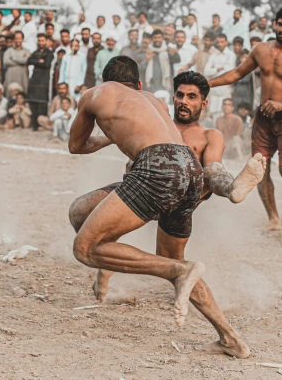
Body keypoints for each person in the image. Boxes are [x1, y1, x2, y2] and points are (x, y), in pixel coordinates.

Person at [68, 61, 256, 356]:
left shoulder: (95, 93)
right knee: (80, 212)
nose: (183, 101)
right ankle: (231, 339)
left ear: (104, 81)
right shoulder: (152, 102)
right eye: (180, 95)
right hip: (189, 174)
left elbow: (76, 146)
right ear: (139, 86)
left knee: (85, 248)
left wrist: (107, 133)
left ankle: (178, 269)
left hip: (156, 172)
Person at [209, 7, 282, 231]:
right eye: (280, 24)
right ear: (274, 24)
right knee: (259, 169)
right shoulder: (261, 49)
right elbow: (238, 73)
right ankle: (274, 218)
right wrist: (208, 83)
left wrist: (281, 104)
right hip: (263, 119)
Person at [203, 34, 236, 115]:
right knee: (213, 112)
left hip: (225, 88)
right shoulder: (213, 55)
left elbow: (228, 71)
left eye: (222, 42)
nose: (220, 44)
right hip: (214, 90)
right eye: (218, 42)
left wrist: (214, 71)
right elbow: (206, 71)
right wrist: (218, 69)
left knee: (224, 112)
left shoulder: (231, 55)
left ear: (226, 42)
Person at [27, 34, 54, 129]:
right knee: (33, 103)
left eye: (42, 41)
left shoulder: (49, 53)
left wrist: (37, 61)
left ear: (46, 41)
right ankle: (34, 124)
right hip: (34, 81)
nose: (40, 43)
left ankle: (40, 124)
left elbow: (46, 64)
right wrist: (39, 61)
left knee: (42, 103)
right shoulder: (35, 52)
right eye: (39, 41)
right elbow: (29, 61)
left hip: (43, 82)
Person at [3, 31, 31, 96]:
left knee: (22, 93)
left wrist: (13, 58)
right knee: (9, 93)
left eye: (19, 38)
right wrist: (20, 61)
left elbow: (26, 61)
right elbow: (6, 61)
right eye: (16, 38)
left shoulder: (26, 51)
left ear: (22, 39)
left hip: (22, 75)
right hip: (11, 75)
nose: (17, 40)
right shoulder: (9, 50)